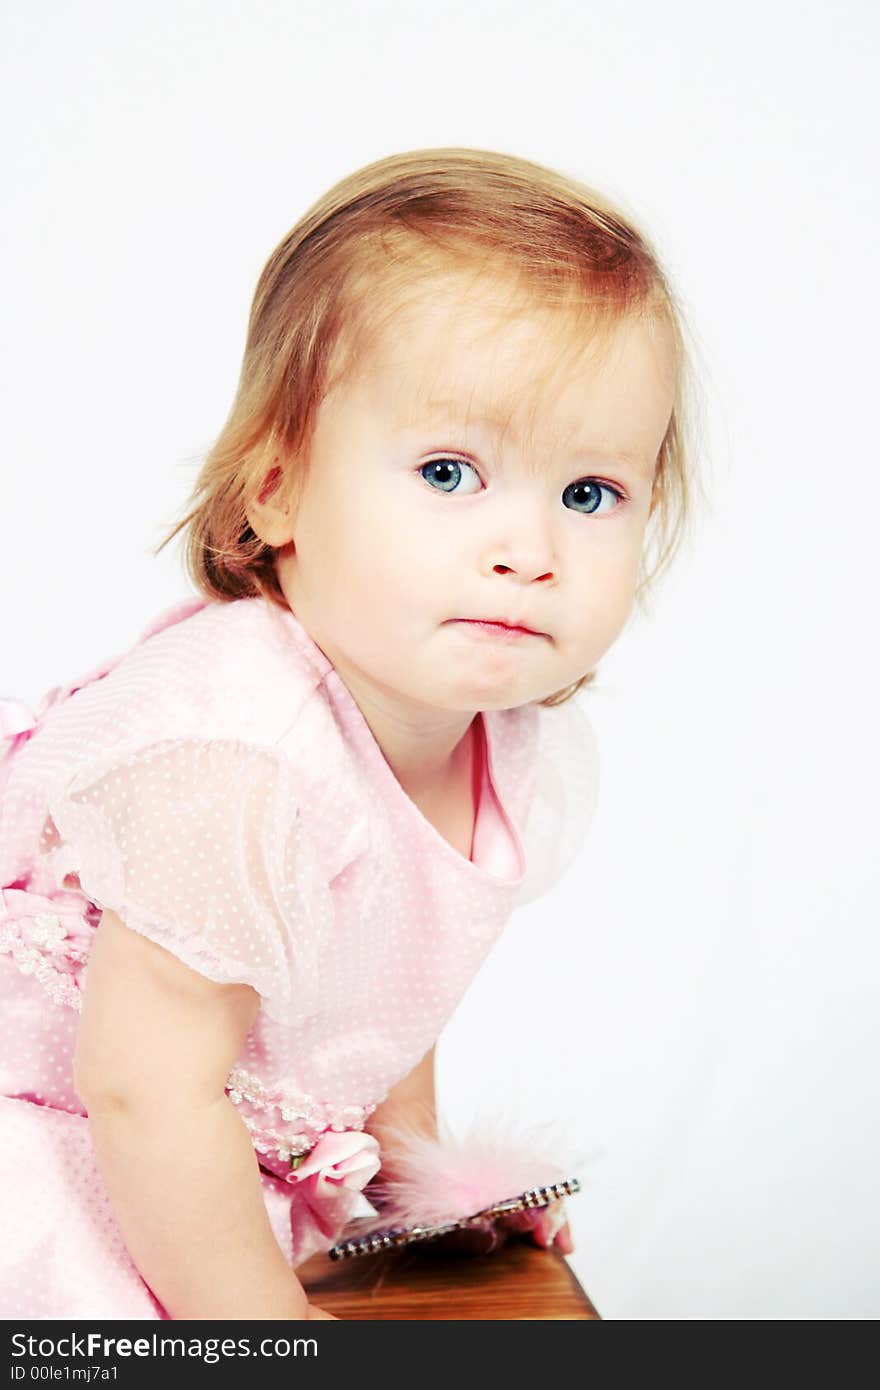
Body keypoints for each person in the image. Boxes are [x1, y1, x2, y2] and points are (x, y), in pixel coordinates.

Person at [0, 146, 694, 1320]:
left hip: (202, 1140)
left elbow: (385, 986)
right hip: (72, 1132)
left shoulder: (492, 732)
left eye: (589, 493)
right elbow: (140, 1093)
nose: (530, 550)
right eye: (446, 470)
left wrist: (408, 1190)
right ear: (272, 491)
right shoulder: (232, 764)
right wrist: (261, 1330)